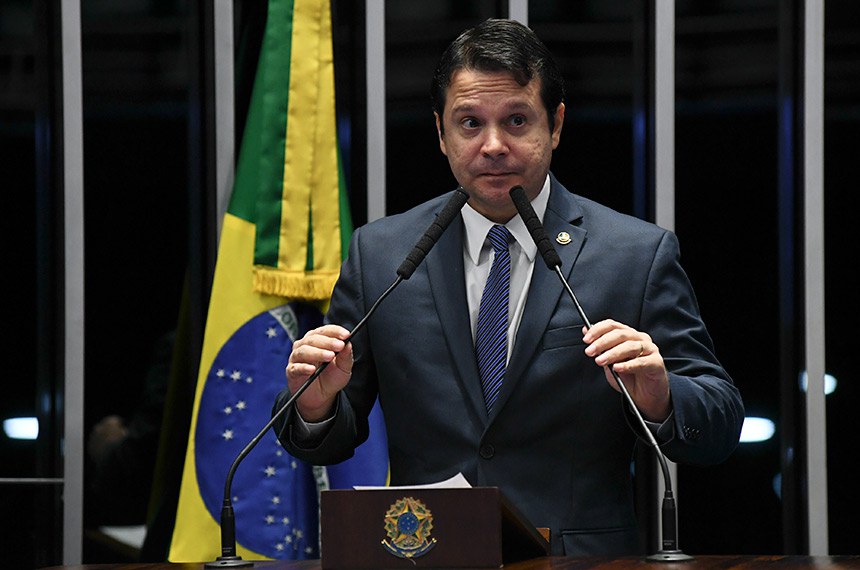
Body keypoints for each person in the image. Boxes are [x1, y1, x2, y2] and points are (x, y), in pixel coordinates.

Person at [273, 18, 744, 556]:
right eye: (469, 123)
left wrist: (660, 398)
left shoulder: (633, 255)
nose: (493, 145)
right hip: (427, 556)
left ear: (556, 125)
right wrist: (313, 406)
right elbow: (330, 434)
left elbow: (722, 419)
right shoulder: (381, 255)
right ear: (441, 134)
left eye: (517, 120)